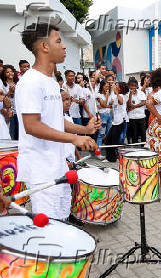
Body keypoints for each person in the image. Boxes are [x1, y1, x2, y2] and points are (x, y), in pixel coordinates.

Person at [17, 23, 100, 220]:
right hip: (41, 169)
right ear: (45, 46)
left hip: (57, 165)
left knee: (60, 220)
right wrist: (73, 139)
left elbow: (56, 121)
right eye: (59, 41)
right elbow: (32, 125)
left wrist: (84, 130)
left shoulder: (51, 82)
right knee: (49, 229)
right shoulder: (30, 82)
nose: (64, 46)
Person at [0, 65, 19, 140]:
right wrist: (10, 91)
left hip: (18, 110)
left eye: (11, 71)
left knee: (18, 132)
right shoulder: (4, 84)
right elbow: (4, 98)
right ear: (4, 74)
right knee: (11, 132)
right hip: (9, 111)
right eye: (7, 72)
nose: (10, 73)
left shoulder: (18, 83)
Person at [127, 77, 147, 143]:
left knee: (143, 134)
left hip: (141, 116)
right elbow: (129, 105)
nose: (133, 87)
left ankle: (144, 148)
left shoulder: (141, 93)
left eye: (135, 86)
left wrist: (135, 106)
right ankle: (135, 150)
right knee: (134, 135)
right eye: (131, 86)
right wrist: (130, 95)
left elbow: (144, 102)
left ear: (137, 86)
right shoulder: (127, 94)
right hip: (132, 117)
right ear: (129, 86)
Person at [96, 79, 114, 149]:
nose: (107, 88)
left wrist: (107, 105)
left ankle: (108, 151)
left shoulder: (110, 94)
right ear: (102, 86)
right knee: (101, 134)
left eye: (108, 86)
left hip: (109, 114)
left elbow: (109, 105)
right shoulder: (98, 95)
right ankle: (98, 152)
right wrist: (106, 97)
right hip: (102, 115)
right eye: (105, 86)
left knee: (109, 134)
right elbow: (103, 105)